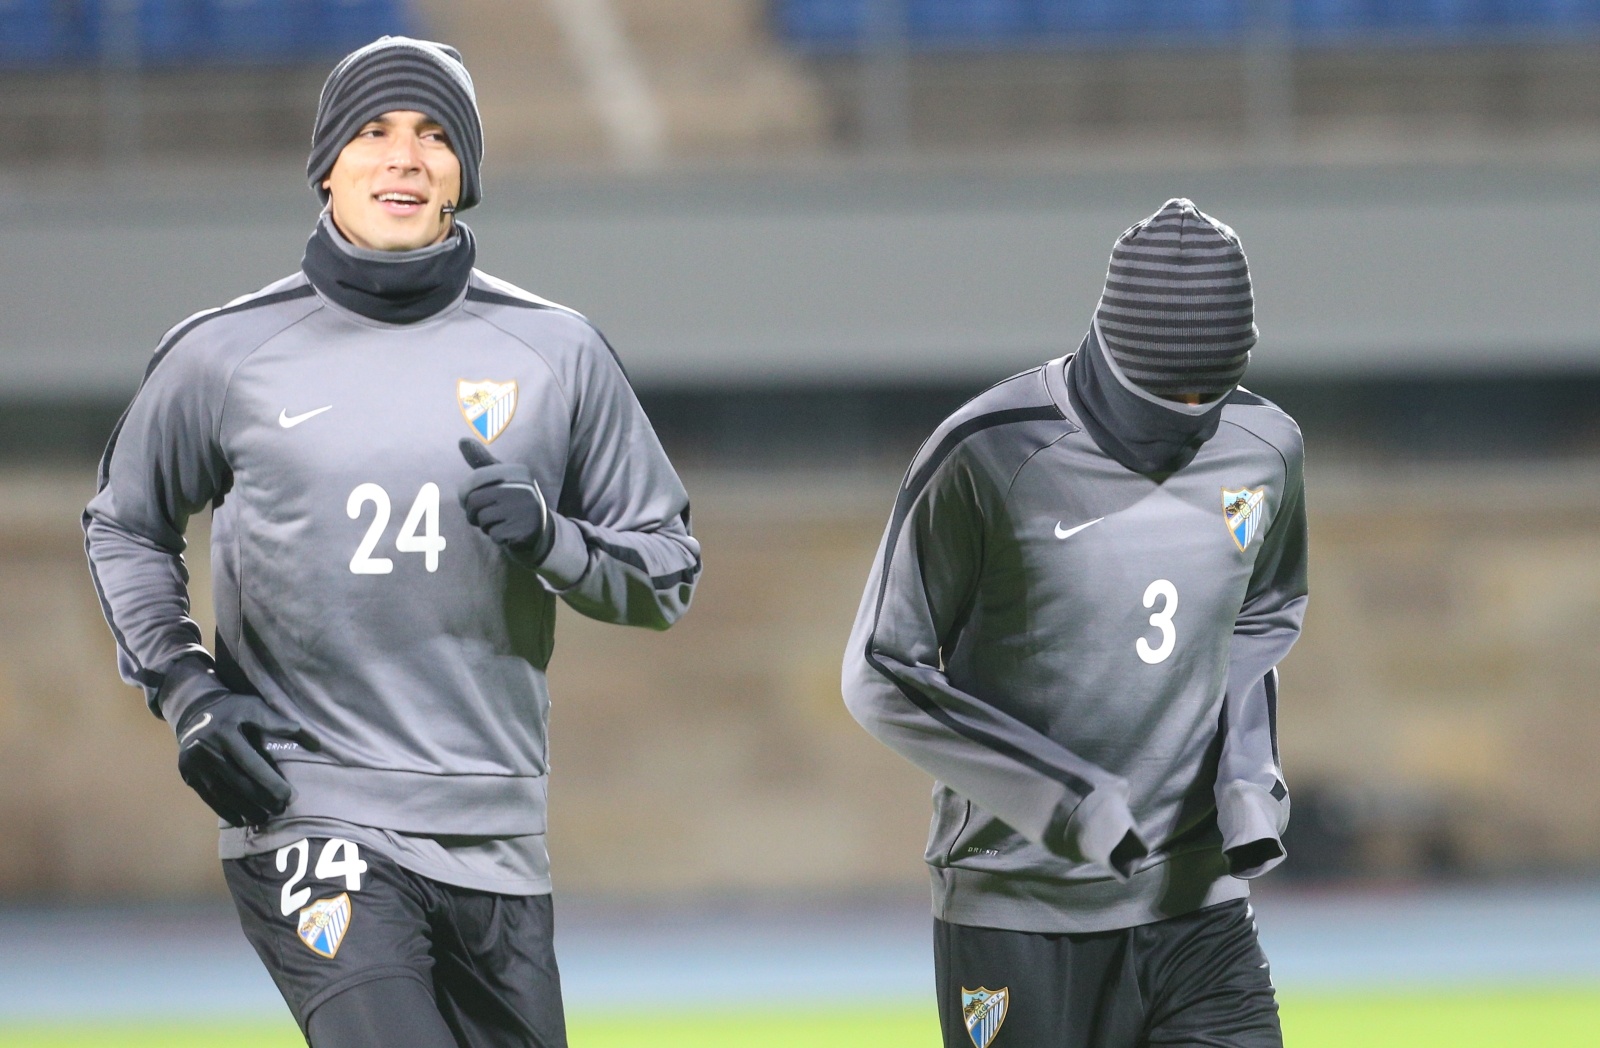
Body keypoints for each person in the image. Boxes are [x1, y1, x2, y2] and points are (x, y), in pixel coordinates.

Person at [83, 36, 700, 1048]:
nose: (404, 156)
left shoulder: (558, 352)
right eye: (373, 131)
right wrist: (187, 688)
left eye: (434, 135)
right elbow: (125, 522)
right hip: (308, 810)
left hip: (496, 830)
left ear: (465, 174)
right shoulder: (224, 354)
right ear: (328, 163)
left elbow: (667, 570)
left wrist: (557, 543)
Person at [841, 199, 1307, 1048]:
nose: (1191, 411)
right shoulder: (990, 450)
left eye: (1211, 391)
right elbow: (880, 668)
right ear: (1115, 352)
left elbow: (1262, 614)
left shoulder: (1266, 446)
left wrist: (1248, 784)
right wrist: (1066, 803)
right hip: (1019, 914)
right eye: (1167, 394)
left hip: (1199, 907)